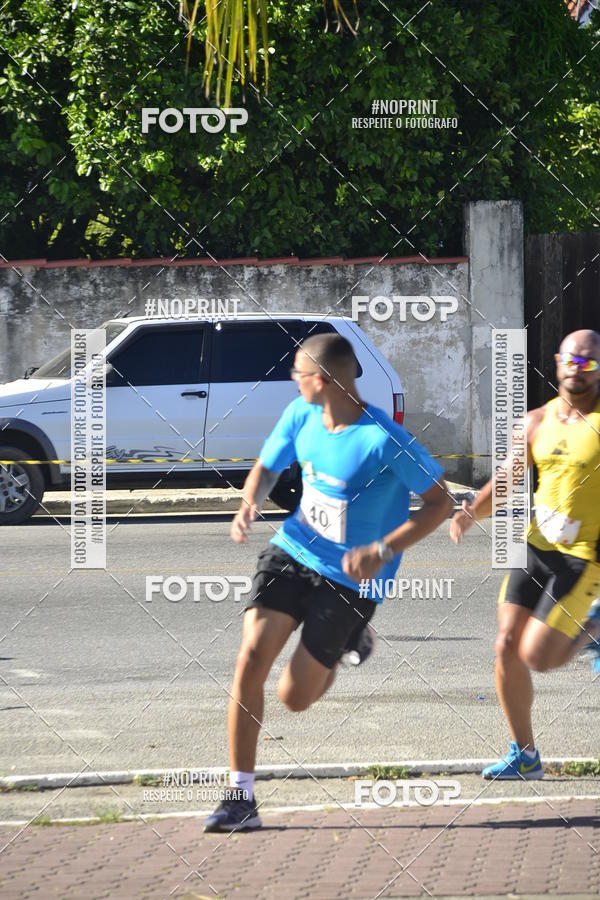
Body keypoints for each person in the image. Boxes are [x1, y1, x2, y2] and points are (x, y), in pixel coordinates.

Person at [203, 332, 453, 832]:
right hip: (293, 550)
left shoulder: (384, 439)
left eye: (298, 374)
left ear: (323, 380)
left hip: (350, 579)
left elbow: (442, 503)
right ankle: (240, 796)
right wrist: (249, 500)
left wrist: (383, 550)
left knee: (294, 698)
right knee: (250, 656)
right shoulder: (300, 416)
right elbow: (266, 465)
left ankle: (346, 642)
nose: (293, 383)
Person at [450, 329, 600, 780]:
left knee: (540, 657)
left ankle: (594, 624)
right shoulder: (535, 421)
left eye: (588, 362)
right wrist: (471, 511)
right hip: (535, 549)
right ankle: (526, 755)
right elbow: (509, 479)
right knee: (507, 647)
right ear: (557, 361)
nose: (578, 369)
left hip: (581, 557)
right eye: (572, 360)